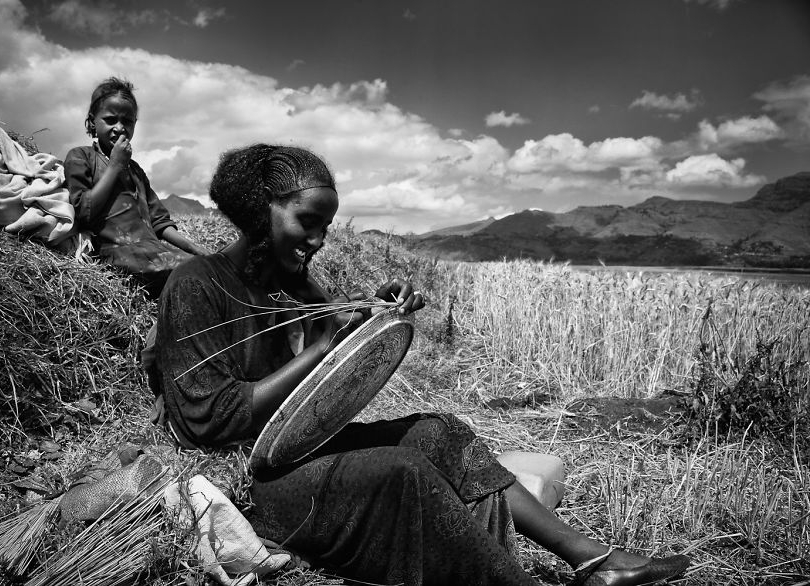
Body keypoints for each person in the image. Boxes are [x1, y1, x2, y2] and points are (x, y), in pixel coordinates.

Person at [148, 144, 691, 585]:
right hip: (251, 479)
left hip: (294, 451)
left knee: (439, 434)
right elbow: (208, 424)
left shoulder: (296, 287)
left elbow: (322, 382)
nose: (317, 240)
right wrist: (322, 348)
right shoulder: (196, 285)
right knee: (400, 471)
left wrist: (374, 315)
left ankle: (593, 560)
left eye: (326, 227)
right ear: (257, 208)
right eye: (306, 221)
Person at [64, 78, 210, 297]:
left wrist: (195, 248)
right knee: (192, 273)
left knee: (213, 268)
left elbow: (159, 221)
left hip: (154, 251)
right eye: (110, 120)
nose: (120, 128)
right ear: (93, 122)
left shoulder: (136, 171)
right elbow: (84, 213)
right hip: (117, 255)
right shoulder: (81, 157)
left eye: (128, 121)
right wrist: (114, 166)